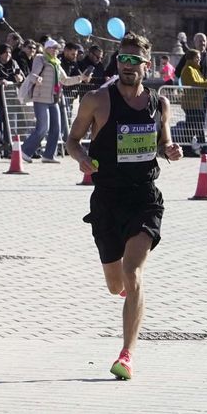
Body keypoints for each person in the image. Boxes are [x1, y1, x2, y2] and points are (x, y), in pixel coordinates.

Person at [66, 33, 182, 380]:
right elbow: (72, 140)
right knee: (115, 284)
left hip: (144, 197)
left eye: (135, 61)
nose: (128, 66)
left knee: (133, 276)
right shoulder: (97, 100)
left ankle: (127, 354)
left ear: (147, 65)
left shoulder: (158, 103)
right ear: (117, 63)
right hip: (107, 200)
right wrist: (83, 157)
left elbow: (163, 142)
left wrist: (171, 149)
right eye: (123, 59)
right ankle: (127, 297)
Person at [20, 38, 86, 163]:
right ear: (47, 49)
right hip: (41, 98)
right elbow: (33, 74)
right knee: (43, 128)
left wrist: (81, 78)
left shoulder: (57, 63)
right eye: (54, 48)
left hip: (54, 99)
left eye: (57, 48)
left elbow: (65, 80)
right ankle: (24, 150)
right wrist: (36, 79)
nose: (56, 51)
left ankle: (48, 155)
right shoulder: (40, 59)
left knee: (56, 128)